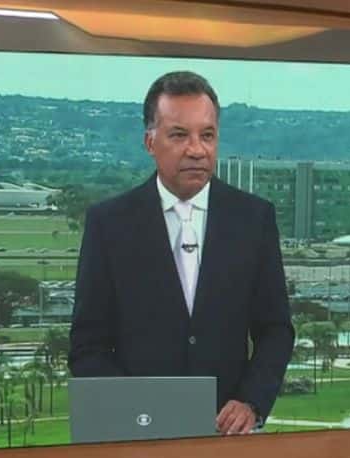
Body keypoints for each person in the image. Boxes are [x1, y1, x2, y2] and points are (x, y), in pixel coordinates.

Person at [69, 71, 294, 435]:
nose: (197, 149)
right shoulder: (108, 224)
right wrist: (140, 413)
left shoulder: (254, 218)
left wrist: (250, 402)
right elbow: (87, 346)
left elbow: (276, 329)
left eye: (207, 135)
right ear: (149, 142)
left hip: (229, 435)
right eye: (179, 135)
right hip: (137, 436)